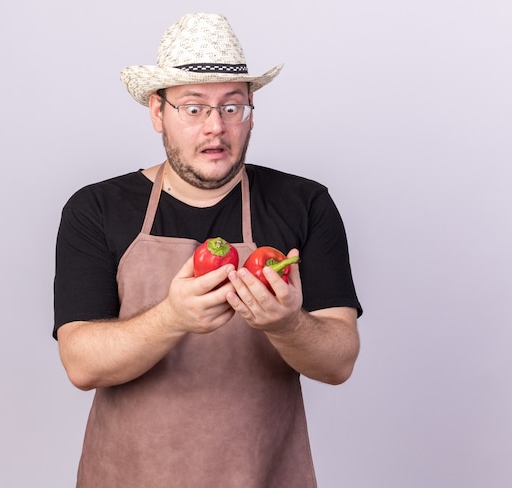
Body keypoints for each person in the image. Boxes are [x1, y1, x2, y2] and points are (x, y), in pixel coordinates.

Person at [53, 12, 362, 488]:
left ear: (251, 110)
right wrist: (172, 317)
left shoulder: (305, 204)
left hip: (264, 477)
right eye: (193, 108)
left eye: (231, 107)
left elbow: (339, 359)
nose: (215, 128)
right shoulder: (95, 209)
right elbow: (81, 362)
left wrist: (287, 324)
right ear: (157, 112)